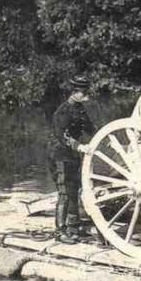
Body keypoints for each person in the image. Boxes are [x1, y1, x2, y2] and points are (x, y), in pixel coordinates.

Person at [48, 75, 101, 242]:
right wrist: (79, 146)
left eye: (86, 91)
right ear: (75, 93)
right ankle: (60, 231)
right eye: (84, 92)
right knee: (64, 192)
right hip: (59, 155)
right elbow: (62, 136)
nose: (87, 96)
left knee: (75, 189)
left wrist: (105, 140)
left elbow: (90, 129)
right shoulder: (62, 111)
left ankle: (74, 226)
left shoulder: (80, 109)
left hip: (73, 155)